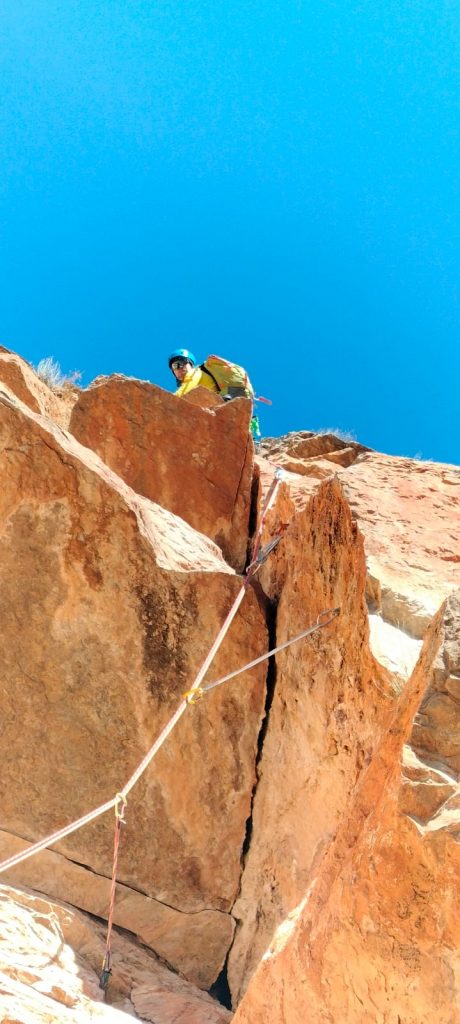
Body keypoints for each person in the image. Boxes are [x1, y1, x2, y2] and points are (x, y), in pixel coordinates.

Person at [168, 347, 261, 439]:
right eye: (174, 367)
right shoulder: (200, 374)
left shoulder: (195, 373)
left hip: (221, 404)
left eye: (179, 364)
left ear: (189, 363)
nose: (177, 369)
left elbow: (183, 392)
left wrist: (165, 403)